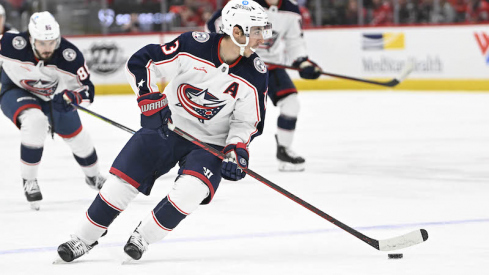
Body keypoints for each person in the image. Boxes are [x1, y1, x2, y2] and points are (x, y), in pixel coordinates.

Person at [56, 0, 270, 262]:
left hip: (210, 144)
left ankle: (142, 237)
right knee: (120, 185)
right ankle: (82, 238)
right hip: (168, 126)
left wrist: (237, 148)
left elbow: (247, 122)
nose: (263, 38)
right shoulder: (194, 45)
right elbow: (142, 62)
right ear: (237, 32)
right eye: (257, 31)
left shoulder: (256, 73)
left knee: (192, 191)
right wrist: (148, 99)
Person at [0, 11, 106, 211]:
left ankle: (93, 177)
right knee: (35, 122)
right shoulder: (10, 43)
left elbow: (88, 91)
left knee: (80, 139)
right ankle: (29, 181)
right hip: (16, 92)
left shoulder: (70, 55)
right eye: (42, 43)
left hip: (55, 99)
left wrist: (75, 98)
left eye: (51, 42)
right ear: (31, 38)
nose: (47, 48)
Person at [206, 0, 321, 172]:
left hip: (271, 67)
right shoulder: (245, 4)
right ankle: (215, 150)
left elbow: (294, 40)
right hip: (240, 64)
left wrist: (302, 61)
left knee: (291, 103)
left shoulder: (291, 10)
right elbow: (214, 24)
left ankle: (284, 150)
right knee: (226, 109)